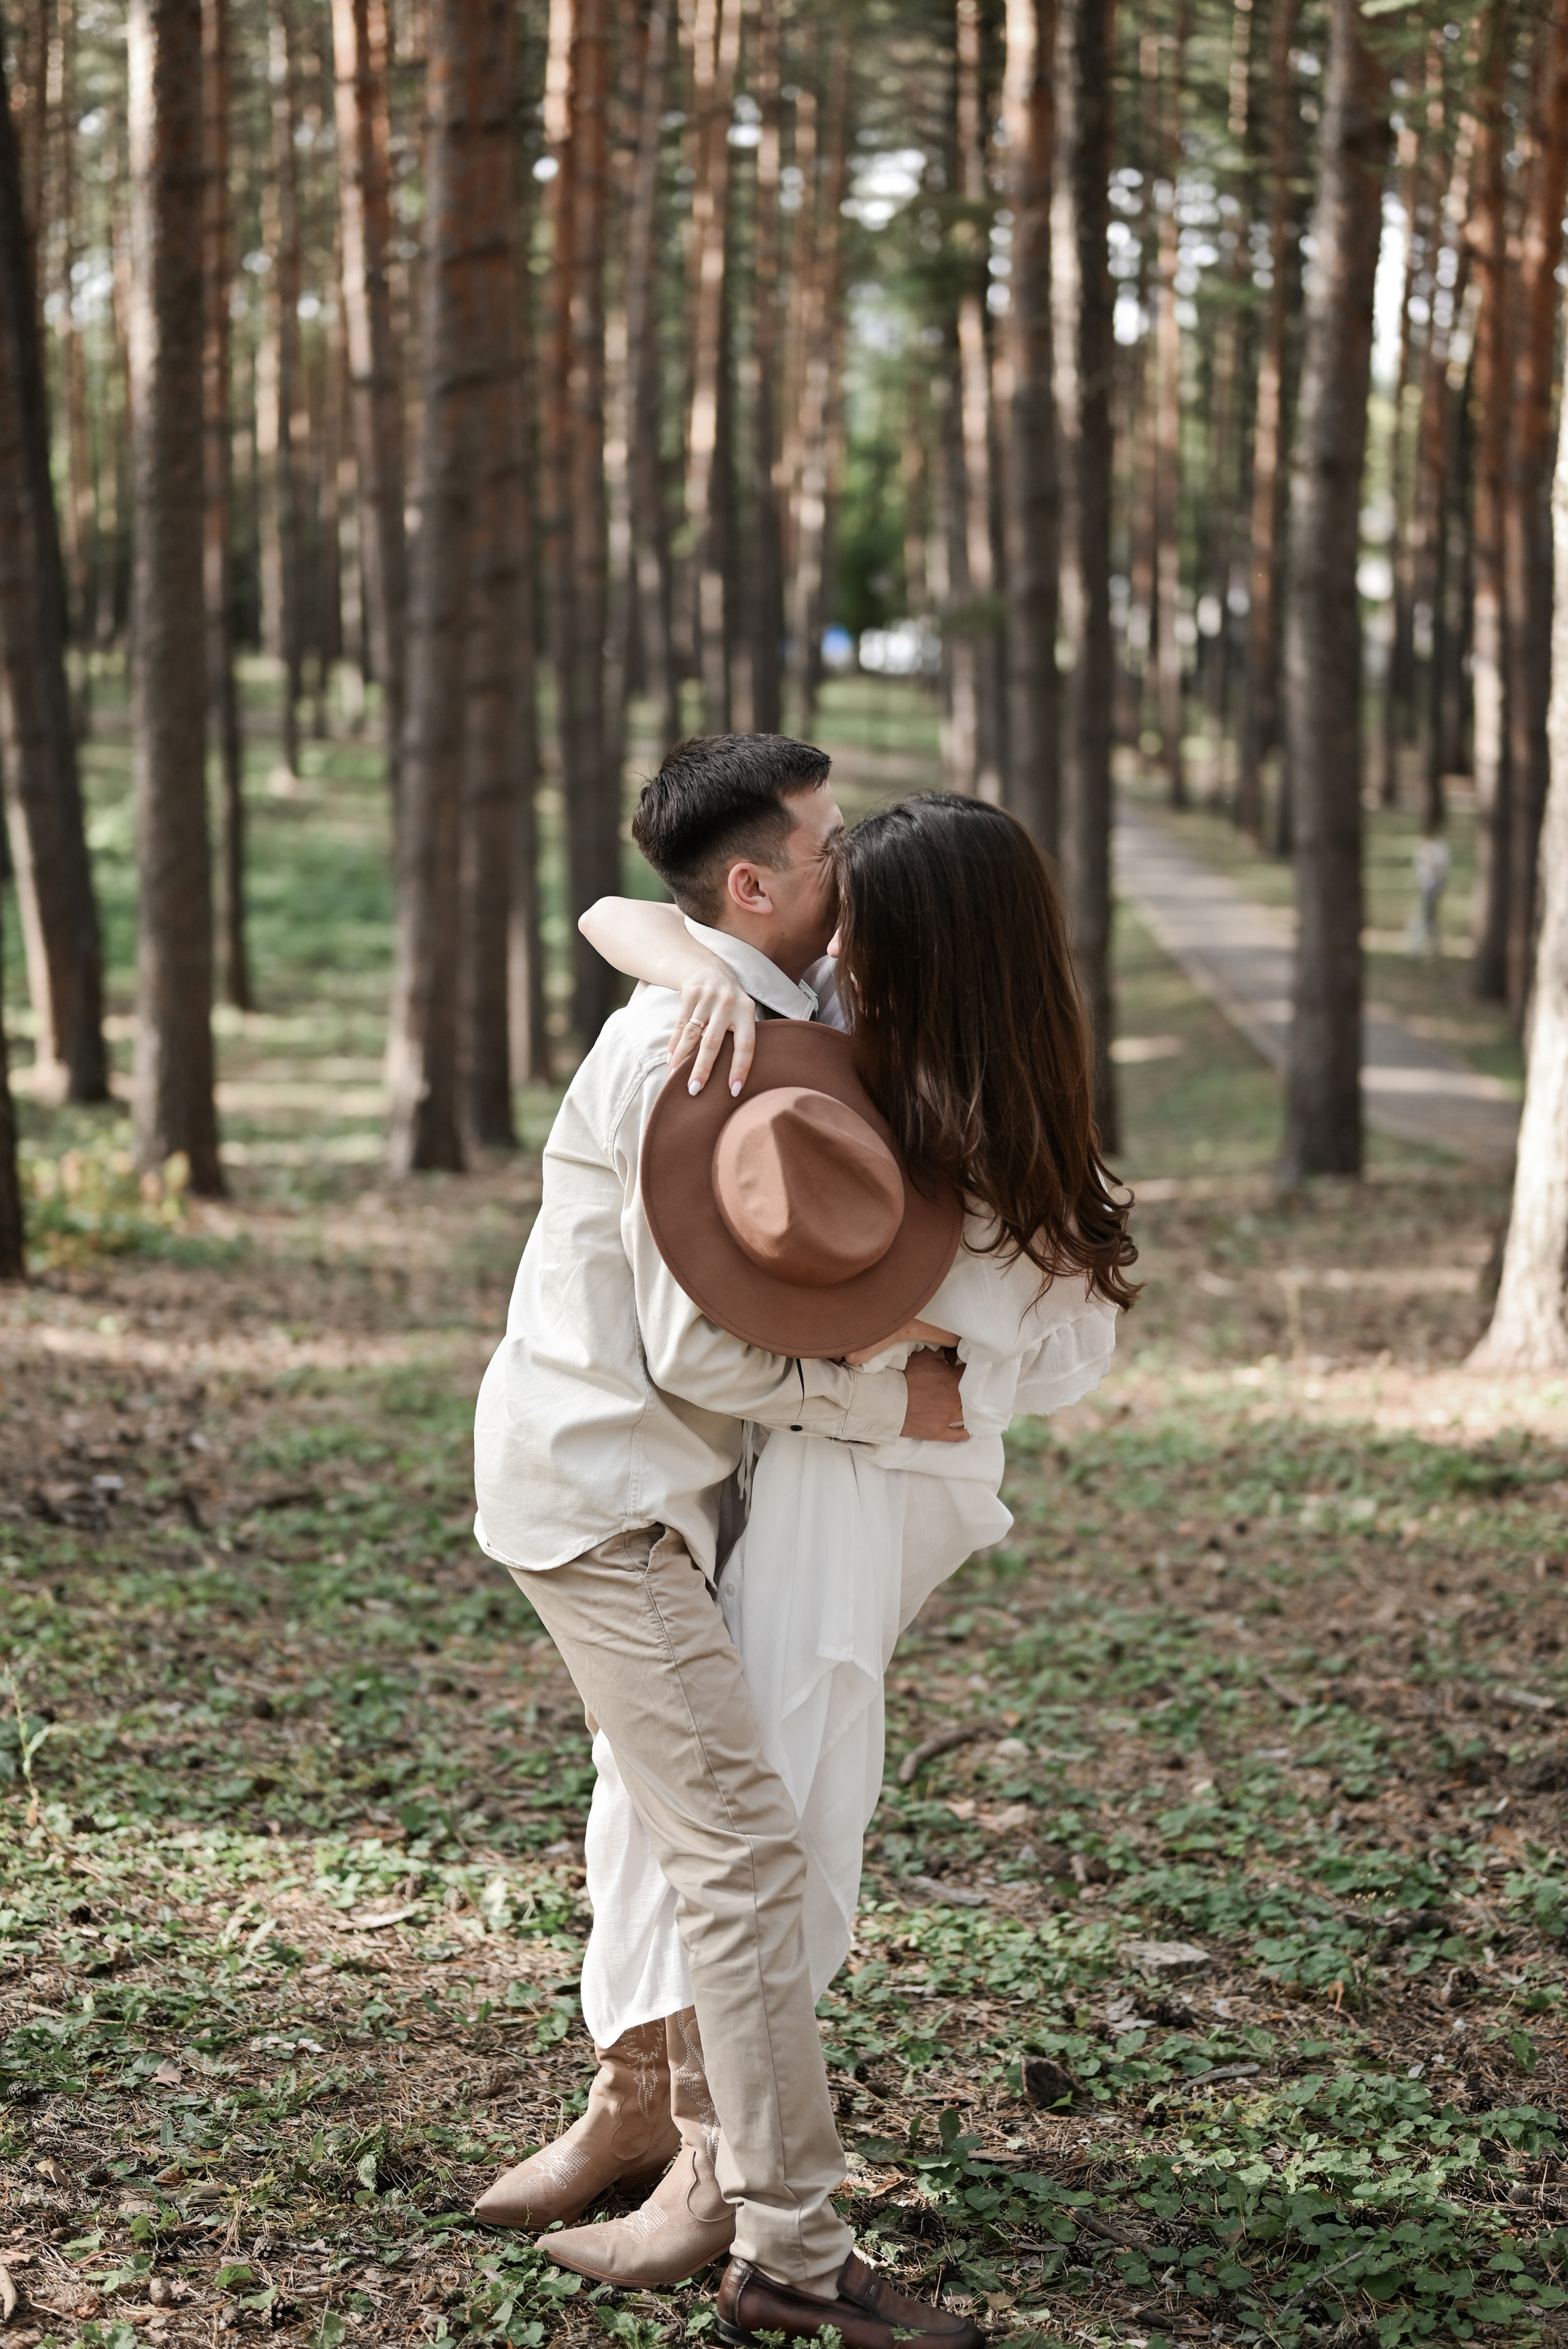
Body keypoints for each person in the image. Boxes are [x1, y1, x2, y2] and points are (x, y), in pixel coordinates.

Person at [507, 791, 1136, 2306]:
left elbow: (988, 1368)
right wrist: (693, 965)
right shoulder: (857, 1027)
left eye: (856, 902)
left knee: (769, 1799)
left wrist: (918, 1381)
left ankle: (727, 2177)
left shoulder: (958, 1128)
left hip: (845, 1491)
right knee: (649, 1787)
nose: (828, 922)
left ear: (919, 947)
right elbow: (636, 913)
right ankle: (632, 2102)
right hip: (745, 1473)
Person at [470, 736, 978, 2349]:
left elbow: (631, 908)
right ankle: (792, 2250)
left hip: (662, 1494)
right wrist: (891, 1387)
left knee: (673, 1812)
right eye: (828, 852)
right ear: (755, 884)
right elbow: (698, 1360)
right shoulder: (680, 1060)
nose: (852, 872)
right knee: (745, 1854)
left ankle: (638, 2109)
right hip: (599, 1504)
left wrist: (680, 942)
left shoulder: (768, 1000)